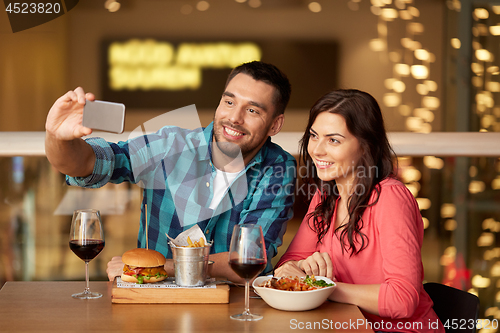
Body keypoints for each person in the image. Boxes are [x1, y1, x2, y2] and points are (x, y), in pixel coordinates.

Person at [45, 61, 296, 283]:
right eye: (229, 102)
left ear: (275, 124)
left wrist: (155, 267)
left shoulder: (278, 168)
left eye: (252, 110)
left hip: (236, 308)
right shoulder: (169, 146)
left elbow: (250, 256)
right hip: (155, 301)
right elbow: (91, 163)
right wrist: (57, 137)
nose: (234, 117)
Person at [274, 89, 444, 333]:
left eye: (333, 140)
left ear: (365, 146)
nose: (317, 150)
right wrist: (300, 269)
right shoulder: (326, 194)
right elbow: (289, 262)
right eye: (314, 136)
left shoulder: (390, 198)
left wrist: (323, 286)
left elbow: (402, 300)